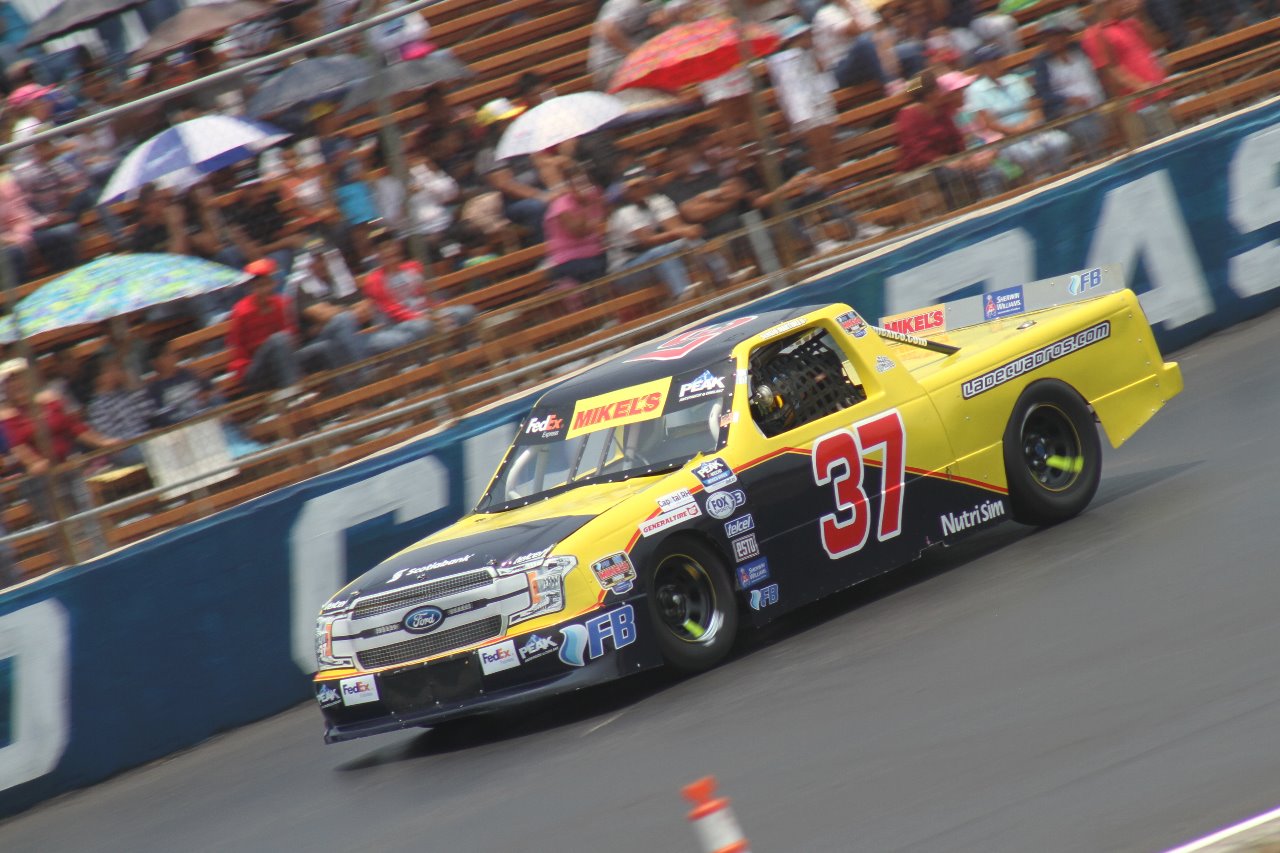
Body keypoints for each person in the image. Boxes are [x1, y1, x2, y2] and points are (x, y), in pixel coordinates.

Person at [0, 360, 116, 557]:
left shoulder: (50, 400)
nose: (17, 384)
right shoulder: (5, 416)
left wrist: (103, 441)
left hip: (67, 466)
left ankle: (102, 554)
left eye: (19, 377)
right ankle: (72, 561)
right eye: (11, 380)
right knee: (60, 525)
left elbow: (73, 427)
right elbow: (15, 445)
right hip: (40, 481)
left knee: (87, 511)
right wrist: (33, 462)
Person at [226, 259, 341, 395]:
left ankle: (345, 395)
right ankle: (295, 394)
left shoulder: (282, 304)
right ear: (252, 288)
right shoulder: (241, 311)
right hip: (258, 369)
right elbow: (237, 349)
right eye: (259, 286)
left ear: (273, 283)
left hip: (286, 358)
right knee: (279, 339)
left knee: (324, 347)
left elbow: (292, 337)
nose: (264, 290)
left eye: (267, 284)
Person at [964, 44, 1074, 179]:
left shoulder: (1015, 79)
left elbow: (1035, 107)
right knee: (1032, 154)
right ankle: (1037, 184)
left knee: (1061, 141)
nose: (994, 64)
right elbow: (988, 122)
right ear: (981, 67)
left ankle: (1058, 177)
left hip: (1031, 130)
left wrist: (1027, 125)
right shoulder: (975, 90)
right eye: (989, 62)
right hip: (1006, 140)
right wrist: (1015, 131)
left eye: (995, 60)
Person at [360, 231, 474, 353]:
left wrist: (437, 311)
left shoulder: (413, 267)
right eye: (385, 248)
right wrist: (423, 317)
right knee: (424, 326)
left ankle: (465, 353)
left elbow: (428, 295)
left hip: (427, 314)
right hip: (399, 323)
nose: (390, 251)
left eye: (392, 246)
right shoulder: (374, 280)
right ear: (378, 254)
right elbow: (392, 310)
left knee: (466, 311)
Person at [607, 165, 703, 299]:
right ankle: (682, 293)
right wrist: (681, 232)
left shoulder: (658, 200)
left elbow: (675, 227)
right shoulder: (623, 212)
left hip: (654, 261)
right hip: (626, 271)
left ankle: (724, 278)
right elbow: (647, 240)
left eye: (642, 184)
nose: (640, 189)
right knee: (662, 252)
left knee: (690, 241)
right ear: (626, 191)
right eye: (634, 187)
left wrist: (687, 232)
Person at [1081, 0, 1172, 138]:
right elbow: (1108, 71)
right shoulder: (1094, 34)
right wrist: (1141, 87)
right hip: (1135, 104)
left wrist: (1141, 15)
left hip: (1157, 93)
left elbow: (1155, 44)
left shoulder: (1130, 24)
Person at [765, 17, 839, 173]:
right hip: (807, 112)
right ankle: (827, 181)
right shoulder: (783, 62)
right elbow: (792, 93)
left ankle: (835, 177)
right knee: (820, 148)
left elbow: (824, 81)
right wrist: (802, 117)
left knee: (829, 145)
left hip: (820, 106)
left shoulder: (809, 55)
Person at [1032, 10, 1109, 160]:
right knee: (1086, 129)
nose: (1054, 40)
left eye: (1057, 35)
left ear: (1065, 36)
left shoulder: (1080, 50)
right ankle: (1098, 163)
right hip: (1070, 113)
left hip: (1099, 103)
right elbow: (1043, 94)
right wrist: (1068, 100)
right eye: (1049, 37)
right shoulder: (1042, 62)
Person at [812, 0, 907, 94]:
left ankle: (916, 88)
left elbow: (880, 31)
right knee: (865, 41)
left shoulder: (858, 3)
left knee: (911, 49)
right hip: (840, 70)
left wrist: (888, 55)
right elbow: (856, 30)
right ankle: (892, 84)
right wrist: (848, 6)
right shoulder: (825, 14)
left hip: (871, 58)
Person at [543, 164, 609, 285]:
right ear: (570, 186)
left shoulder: (596, 196)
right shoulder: (561, 205)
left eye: (585, 182)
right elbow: (578, 232)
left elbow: (605, 217)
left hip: (597, 251)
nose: (583, 187)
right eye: (578, 183)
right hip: (570, 258)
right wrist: (585, 206)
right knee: (595, 269)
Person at [85, 353, 155, 467]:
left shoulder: (125, 393)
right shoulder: (96, 407)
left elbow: (148, 413)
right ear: (99, 378)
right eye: (110, 370)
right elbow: (112, 439)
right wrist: (140, 439)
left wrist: (133, 387)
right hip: (125, 450)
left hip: (145, 440)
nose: (116, 372)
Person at [588, 0, 662, 90]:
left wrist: (665, 19)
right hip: (612, 65)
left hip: (636, 63)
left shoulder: (653, 6)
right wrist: (636, 53)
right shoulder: (625, 3)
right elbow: (607, 30)